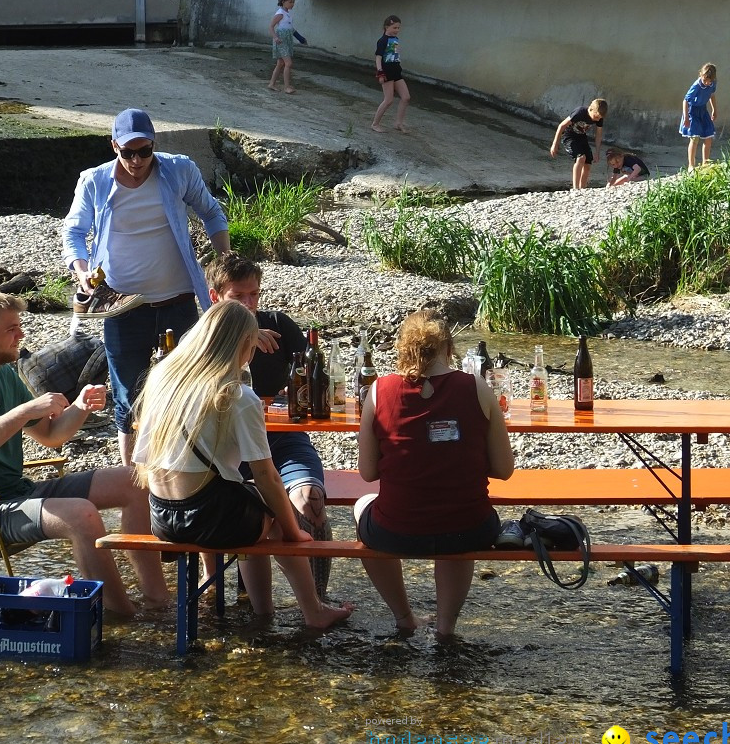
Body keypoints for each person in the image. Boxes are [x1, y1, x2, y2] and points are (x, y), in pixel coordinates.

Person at [0, 291, 169, 616]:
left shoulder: (5, 375)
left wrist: (80, 405)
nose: (21, 335)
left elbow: (52, 436)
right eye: (12, 328)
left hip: (16, 494)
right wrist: (22, 412)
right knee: (81, 515)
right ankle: (123, 616)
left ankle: (158, 603)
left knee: (136, 480)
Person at [132, 299, 353, 629]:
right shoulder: (235, 395)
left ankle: (260, 614)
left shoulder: (162, 382)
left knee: (250, 506)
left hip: (162, 517)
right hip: (209, 520)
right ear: (245, 345)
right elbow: (266, 475)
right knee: (278, 521)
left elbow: (143, 461)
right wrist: (294, 531)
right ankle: (312, 611)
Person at [61, 107, 230, 467]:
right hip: (121, 306)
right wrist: (82, 272)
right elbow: (74, 231)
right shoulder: (94, 181)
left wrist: (225, 260)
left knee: (185, 387)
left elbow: (212, 212)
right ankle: (132, 480)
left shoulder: (179, 169)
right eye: (128, 152)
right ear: (114, 147)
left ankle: (182, 468)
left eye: (144, 151)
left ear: (154, 145)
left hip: (179, 299)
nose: (136, 160)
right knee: (126, 396)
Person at [354, 309, 514, 637]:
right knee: (457, 519)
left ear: (403, 349)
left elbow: (368, 472)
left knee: (361, 507)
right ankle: (445, 628)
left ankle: (404, 618)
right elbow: (504, 469)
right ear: (449, 348)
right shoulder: (477, 388)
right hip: (469, 528)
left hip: (396, 530)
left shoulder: (378, 391)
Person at [205, 253, 333, 598]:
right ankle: (224, 596)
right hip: (224, 451)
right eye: (239, 297)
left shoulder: (278, 322)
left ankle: (317, 603)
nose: (249, 304)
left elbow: (319, 378)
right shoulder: (202, 338)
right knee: (236, 514)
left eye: (254, 295)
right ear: (215, 297)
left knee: (313, 502)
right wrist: (239, 338)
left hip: (281, 440)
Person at [549, 98, 608, 190]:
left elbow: (598, 135)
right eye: (596, 117)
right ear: (591, 109)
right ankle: (576, 189)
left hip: (581, 137)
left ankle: (582, 189)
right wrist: (555, 144)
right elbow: (562, 126)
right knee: (581, 158)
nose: (597, 119)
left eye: (599, 118)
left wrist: (597, 152)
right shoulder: (579, 112)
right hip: (569, 136)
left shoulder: (599, 117)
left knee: (588, 164)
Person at [371, 15, 411, 134]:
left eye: (398, 28)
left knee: (406, 97)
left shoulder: (395, 39)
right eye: (394, 27)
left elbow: (395, 54)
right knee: (388, 100)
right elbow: (378, 58)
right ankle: (375, 124)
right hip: (386, 71)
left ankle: (398, 123)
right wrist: (380, 72)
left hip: (396, 71)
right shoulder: (382, 41)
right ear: (386, 27)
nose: (397, 30)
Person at [680, 63, 718, 169]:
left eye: (709, 81)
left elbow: (711, 95)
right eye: (705, 80)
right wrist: (686, 118)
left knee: (708, 136)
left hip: (703, 110)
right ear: (701, 75)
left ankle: (706, 163)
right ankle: (691, 165)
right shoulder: (696, 85)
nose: (706, 83)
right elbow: (686, 101)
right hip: (692, 111)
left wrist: (714, 109)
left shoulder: (713, 83)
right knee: (695, 137)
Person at [268, 0, 305, 94]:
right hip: (281, 41)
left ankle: (272, 84)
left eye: (293, 2)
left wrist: (300, 38)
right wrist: (275, 38)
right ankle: (287, 87)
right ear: (283, 1)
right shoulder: (280, 13)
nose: (292, 4)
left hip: (287, 41)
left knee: (280, 63)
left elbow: (290, 29)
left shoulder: (287, 14)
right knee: (288, 63)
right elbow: (271, 27)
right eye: (290, 2)